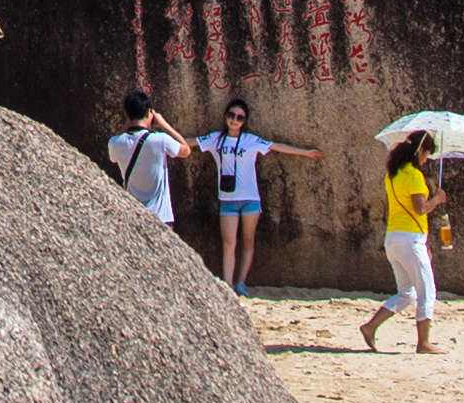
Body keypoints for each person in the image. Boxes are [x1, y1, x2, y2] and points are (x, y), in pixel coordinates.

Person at [195, 98, 319, 290]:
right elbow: (190, 143)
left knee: (247, 241)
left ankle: (241, 282)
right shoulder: (216, 139)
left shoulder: (250, 140)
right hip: (228, 199)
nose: (234, 120)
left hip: (250, 199)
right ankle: (228, 285)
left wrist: (305, 153)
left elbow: (277, 146)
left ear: (244, 121)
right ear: (225, 116)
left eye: (240, 117)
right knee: (229, 243)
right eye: (231, 115)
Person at [355, 133, 449, 355]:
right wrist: (437, 199)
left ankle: (370, 327)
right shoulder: (414, 175)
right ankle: (423, 343)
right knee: (427, 291)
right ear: (420, 151)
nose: (426, 159)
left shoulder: (393, 174)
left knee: (407, 293)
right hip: (410, 240)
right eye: (427, 154)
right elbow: (420, 208)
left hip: (394, 238)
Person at [107, 98, 194, 250]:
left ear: (127, 115)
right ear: (149, 113)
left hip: (134, 215)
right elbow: (186, 150)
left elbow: (116, 151)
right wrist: (164, 124)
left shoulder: (115, 143)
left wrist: (128, 122)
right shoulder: (160, 140)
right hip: (161, 217)